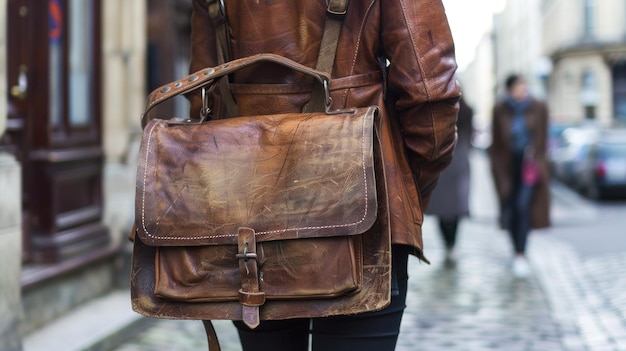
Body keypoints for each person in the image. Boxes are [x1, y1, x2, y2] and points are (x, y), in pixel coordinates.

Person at [188, 1, 460, 350]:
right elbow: (431, 94)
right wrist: (405, 191)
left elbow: (203, 103)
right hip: (365, 223)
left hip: (251, 223)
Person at [489, 74, 551, 278]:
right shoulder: (500, 109)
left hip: (530, 166)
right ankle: (516, 249)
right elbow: (496, 143)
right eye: (518, 87)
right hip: (508, 167)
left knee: (523, 207)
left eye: (524, 86)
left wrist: (540, 161)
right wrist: (497, 169)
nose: (523, 90)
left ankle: (520, 254)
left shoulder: (538, 106)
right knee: (511, 209)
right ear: (509, 89)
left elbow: (543, 138)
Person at [427, 97, 474, 267]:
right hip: (447, 163)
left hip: (453, 162)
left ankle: (450, 244)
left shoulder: (462, 110)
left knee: (450, 209)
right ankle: (450, 245)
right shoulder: (440, 108)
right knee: (447, 209)